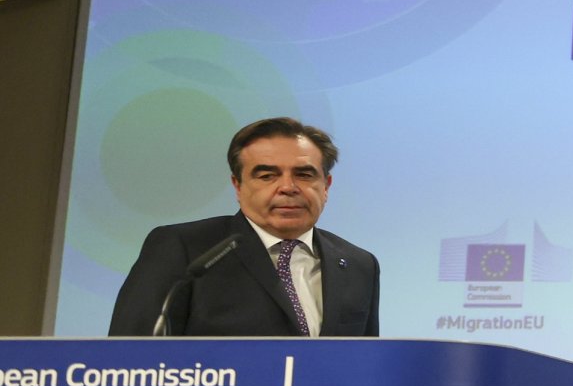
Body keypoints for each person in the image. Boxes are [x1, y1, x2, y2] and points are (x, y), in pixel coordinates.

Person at [108, 117, 380, 337]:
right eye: (267, 175)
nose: (287, 187)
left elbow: (365, 366)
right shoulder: (187, 249)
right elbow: (127, 358)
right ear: (238, 186)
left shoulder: (359, 265)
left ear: (326, 186)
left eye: (304, 174)